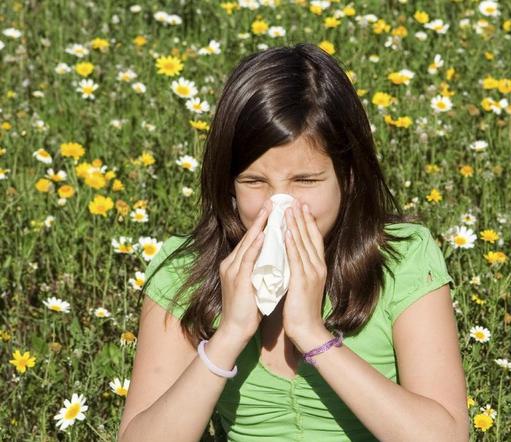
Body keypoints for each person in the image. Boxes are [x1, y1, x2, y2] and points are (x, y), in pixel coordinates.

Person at [117, 43, 469, 441]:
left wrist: (313, 335)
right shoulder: (185, 273)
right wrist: (229, 335)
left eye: (305, 180)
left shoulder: (402, 258)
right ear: (228, 184)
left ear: (348, 176)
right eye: (254, 181)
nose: (279, 205)